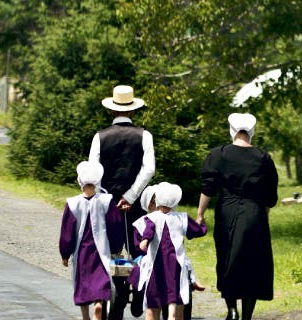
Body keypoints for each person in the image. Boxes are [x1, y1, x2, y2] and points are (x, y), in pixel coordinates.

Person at [196, 113, 278, 320]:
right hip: (254, 213)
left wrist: (200, 214)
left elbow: (208, 188)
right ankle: (247, 316)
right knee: (254, 262)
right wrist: (263, 216)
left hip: (227, 211)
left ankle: (232, 310)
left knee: (226, 257)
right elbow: (269, 195)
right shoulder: (263, 157)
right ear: (252, 132)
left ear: (231, 131)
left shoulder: (218, 154)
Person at [89, 84, 156, 319]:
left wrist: (103, 199)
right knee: (139, 247)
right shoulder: (144, 135)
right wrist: (131, 196)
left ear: (112, 111)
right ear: (133, 111)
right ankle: (138, 292)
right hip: (136, 204)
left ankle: (118, 289)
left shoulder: (100, 137)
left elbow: (93, 172)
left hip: (108, 203)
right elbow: (149, 169)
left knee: (113, 249)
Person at [128, 184, 206, 319]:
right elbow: (198, 231)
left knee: (155, 301)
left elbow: (144, 235)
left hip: (159, 263)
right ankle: (169, 311)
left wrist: (144, 241)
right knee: (173, 292)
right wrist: (202, 223)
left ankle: (190, 285)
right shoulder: (181, 218)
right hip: (171, 263)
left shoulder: (150, 219)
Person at [59, 161, 125, 320]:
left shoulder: (73, 203)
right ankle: (98, 305)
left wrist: (65, 253)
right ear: (97, 180)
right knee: (100, 282)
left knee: (83, 284)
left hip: (82, 252)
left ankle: (85, 317)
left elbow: (67, 231)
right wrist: (116, 247)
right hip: (101, 252)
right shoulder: (107, 200)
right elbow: (116, 226)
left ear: (80, 180)